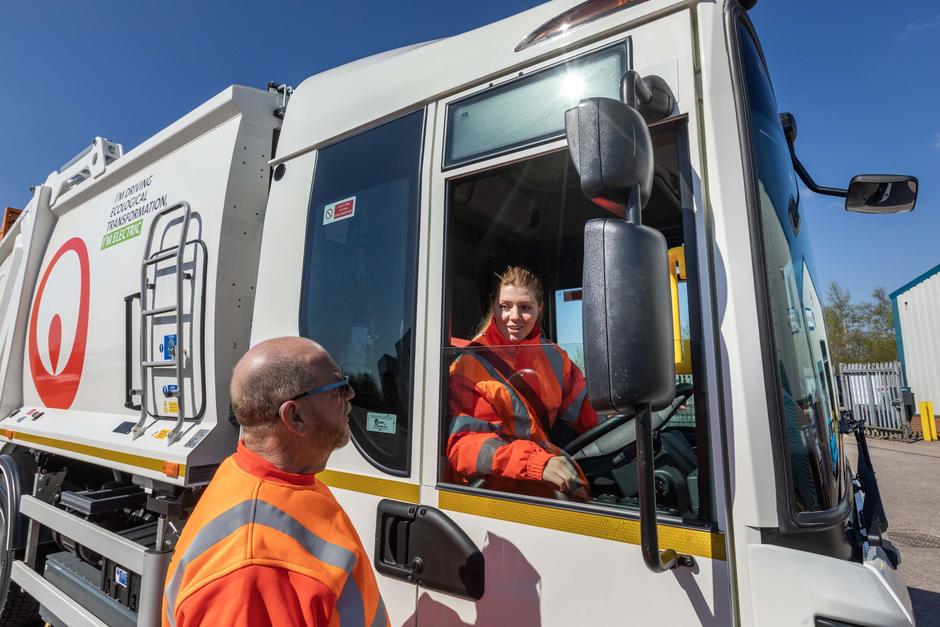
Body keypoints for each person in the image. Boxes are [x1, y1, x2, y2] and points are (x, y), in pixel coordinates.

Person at [162, 337, 389, 627]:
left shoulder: (268, 476)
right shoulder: (251, 570)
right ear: (295, 417)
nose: (351, 394)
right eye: (339, 388)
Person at [447, 266, 600, 500]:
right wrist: (535, 463)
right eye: (505, 306)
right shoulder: (469, 365)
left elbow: (586, 409)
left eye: (525, 307)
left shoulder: (555, 357)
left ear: (539, 309)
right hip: (500, 495)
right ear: (494, 308)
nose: (514, 317)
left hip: (552, 486)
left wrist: (630, 416)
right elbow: (465, 446)